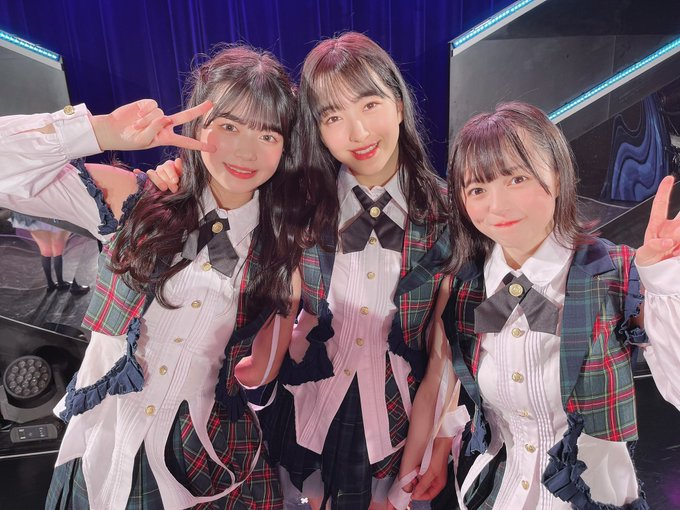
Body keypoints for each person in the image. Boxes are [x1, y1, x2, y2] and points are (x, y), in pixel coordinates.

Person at [0, 45, 302, 510]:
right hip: (103, 451)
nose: (247, 151)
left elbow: (261, 371)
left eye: (267, 134)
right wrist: (100, 130)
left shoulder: (279, 255)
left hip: (207, 464)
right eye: (228, 126)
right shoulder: (134, 201)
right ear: (195, 125)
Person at [400, 101, 680, 509]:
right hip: (493, 493)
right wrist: (440, 451)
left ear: (558, 175)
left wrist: (663, 280)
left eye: (517, 178)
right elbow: (449, 383)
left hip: (590, 497)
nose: (497, 205)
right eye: (478, 189)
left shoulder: (615, 274)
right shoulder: (467, 286)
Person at [260, 32, 453, 510]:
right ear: (318, 128)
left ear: (399, 104)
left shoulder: (449, 215)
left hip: (398, 421)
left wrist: (437, 446)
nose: (359, 132)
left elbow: (450, 350)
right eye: (333, 117)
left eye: (370, 104)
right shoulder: (296, 205)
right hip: (305, 406)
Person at [10, 213, 90, 294]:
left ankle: (50, 284)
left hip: (30, 216)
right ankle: (63, 283)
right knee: (58, 248)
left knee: (45, 250)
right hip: (53, 214)